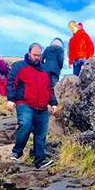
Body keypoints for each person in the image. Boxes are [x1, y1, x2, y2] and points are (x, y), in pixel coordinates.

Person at [7, 42, 58, 170]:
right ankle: (17, 152)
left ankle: (39, 161)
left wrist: (53, 103)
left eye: (39, 55)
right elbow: (11, 82)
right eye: (35, 55)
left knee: (41, 135)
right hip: (25, 103)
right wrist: (10, 99)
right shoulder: (19, 66)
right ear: (29, 53)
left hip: (42, 107)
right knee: (25, 124)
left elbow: (49, 88)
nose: (37, 57)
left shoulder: (45, 70)